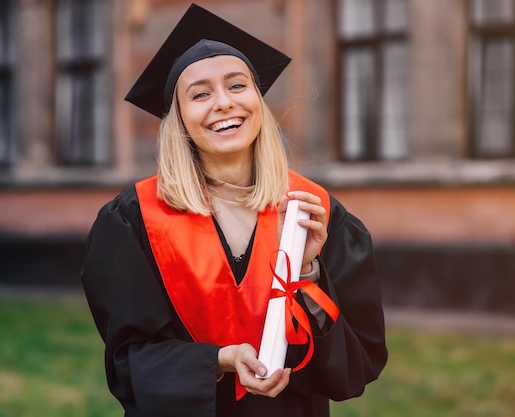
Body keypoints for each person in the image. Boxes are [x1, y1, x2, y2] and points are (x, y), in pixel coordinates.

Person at [81, 4, 387, 417]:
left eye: (237, 86)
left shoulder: (314, 212)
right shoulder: (133, 221)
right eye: (200, 94)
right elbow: (130, 364)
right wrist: (219, 362)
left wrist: (308, 273)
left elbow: (357, 363)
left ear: (258, 101)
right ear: (179, 120)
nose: (224, 103)